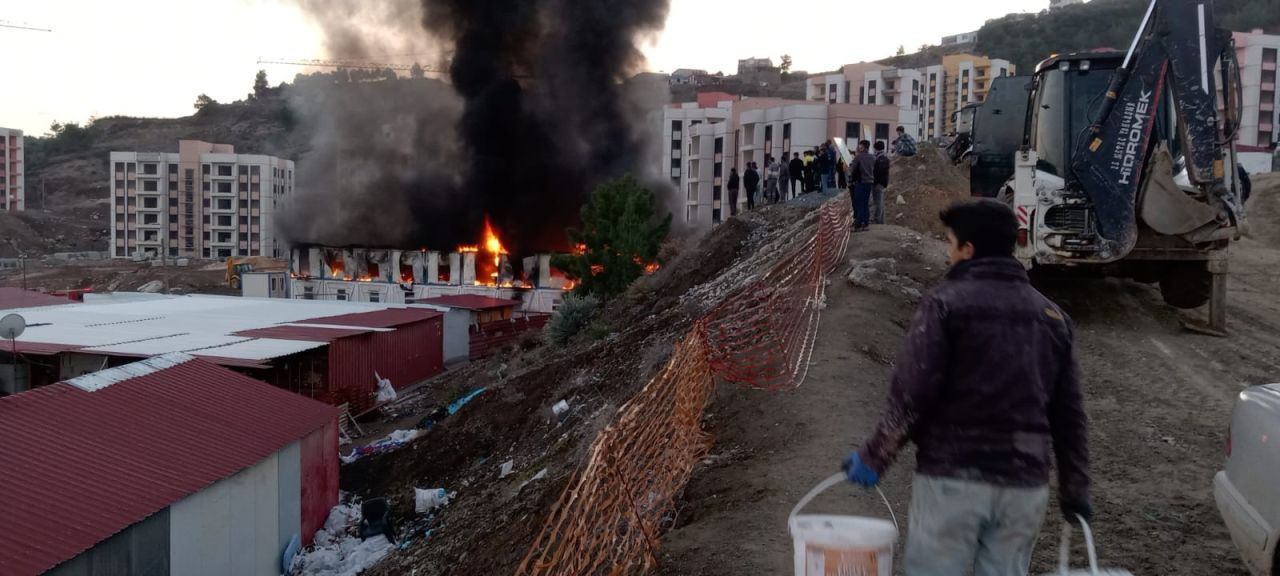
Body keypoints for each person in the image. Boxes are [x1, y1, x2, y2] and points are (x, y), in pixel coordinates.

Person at [843, 199, 1090, 576]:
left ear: (968, 250)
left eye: (950, 242)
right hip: (1024, 486)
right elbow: (1069, 415)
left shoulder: (945, 305)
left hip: (953, 479)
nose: (947, 251)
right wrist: (1074, 489)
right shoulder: (1052, 318)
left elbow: (912, 393)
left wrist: (875, 455)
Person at [849, 140, 875, 231]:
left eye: (860, 146)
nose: (859, 147)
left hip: (860, 183)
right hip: (869, 182)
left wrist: (851, 179)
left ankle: (858, 225)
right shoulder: (872, 157)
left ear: (863, 147)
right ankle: (866, 223)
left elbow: (853, 170)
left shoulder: (858, 157)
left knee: (859, 204)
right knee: (865, 203)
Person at [872, 141, 891, 225]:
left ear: (876, 148)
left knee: (878, 202)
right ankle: (882, 221)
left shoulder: (879, 159)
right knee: (881, 202)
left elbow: (878, 172)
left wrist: (875, 182)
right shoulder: (885, 157)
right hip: (882, 182)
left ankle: (878, 220)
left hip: (878, 183)